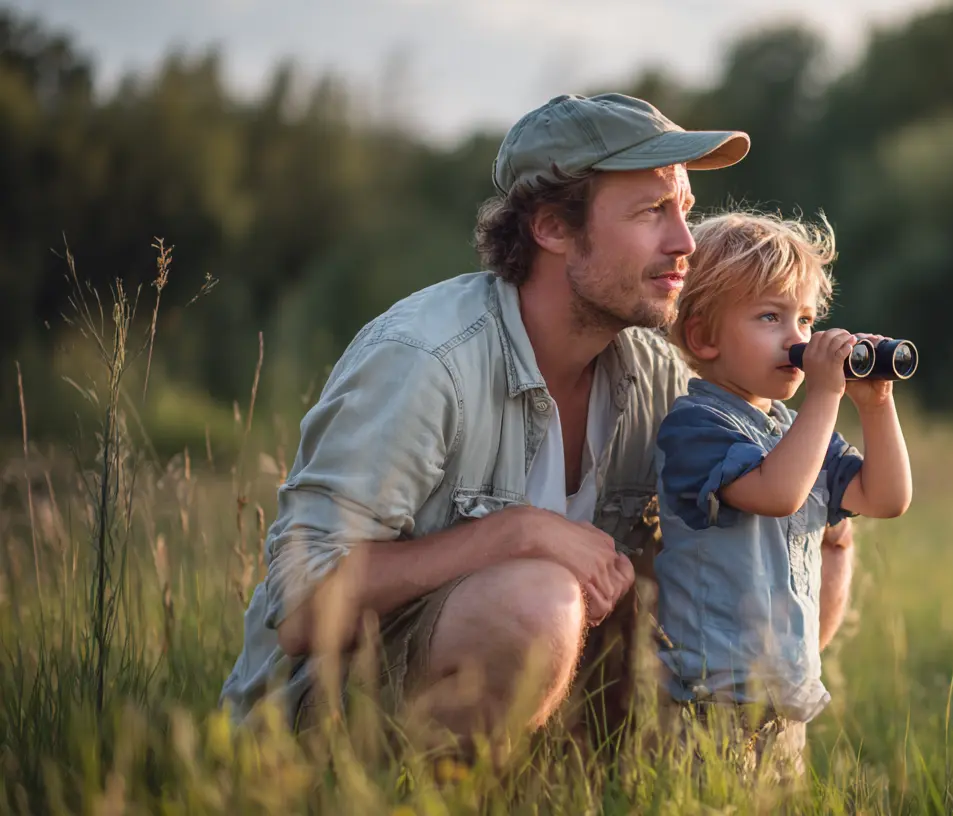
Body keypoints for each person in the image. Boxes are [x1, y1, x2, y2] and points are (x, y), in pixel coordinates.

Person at [218, 92, 861, 755]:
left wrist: (827, 512)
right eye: (651, 213)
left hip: (545, 721)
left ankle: (705, 763)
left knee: (792, 520)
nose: (685, 245)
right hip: (327, 735)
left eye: (685, 212)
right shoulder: (425, 361)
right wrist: (518, 533)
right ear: (553, 228)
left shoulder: (657, 375)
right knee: (537, 597)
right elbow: (302, 608)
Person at [651, 211, 913, 780]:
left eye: (806, 319)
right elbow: (779, 492)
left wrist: (875, 403)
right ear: (703, 336)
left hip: (784, 699)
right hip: (710, 702)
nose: (797, 339)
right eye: (770, 317)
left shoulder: (795, 431)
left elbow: (887, 498)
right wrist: (825, 394)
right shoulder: (695, 426)